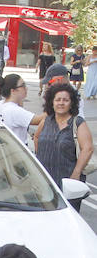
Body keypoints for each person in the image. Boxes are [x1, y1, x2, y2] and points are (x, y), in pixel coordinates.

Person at [34, 82, 94, 212]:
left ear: (71, 103)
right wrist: (40, 155)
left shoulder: (77, 123)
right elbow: (37, 137)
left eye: (65, 100)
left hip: (68, 181)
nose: (61, 103)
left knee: (67, 217)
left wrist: (76, 173)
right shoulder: (46, 121)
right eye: (58, 100)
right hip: (45, 180)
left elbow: (87, 149)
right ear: (52, 102)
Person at [0, 74, 45, 144]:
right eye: (23, 85)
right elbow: (39, 120)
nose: (26, 88)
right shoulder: (14, 111)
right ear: (13, 91)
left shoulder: (1, 104)